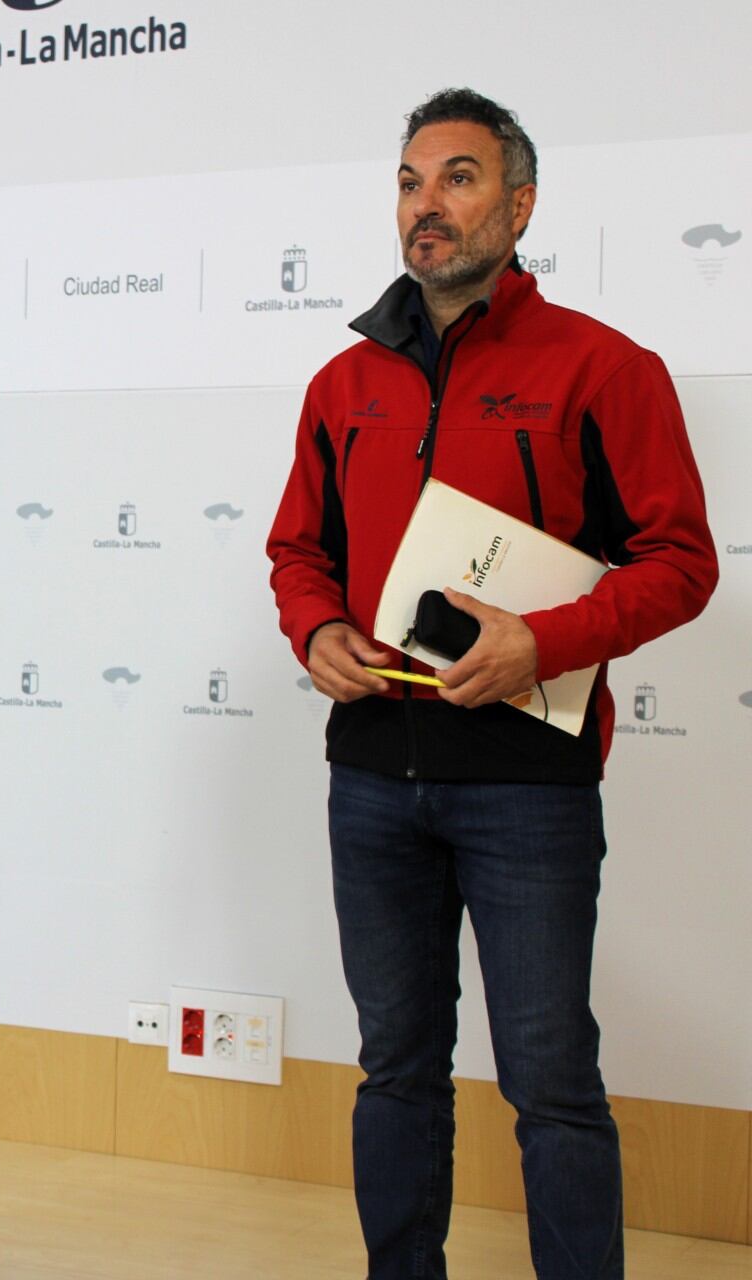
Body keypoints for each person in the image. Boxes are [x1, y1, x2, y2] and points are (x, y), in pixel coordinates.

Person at [266, 89, 717, 1279]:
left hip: (527, 782)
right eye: (411, 181)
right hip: (371, 777)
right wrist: (314, 630)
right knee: (395, 1065)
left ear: (519, 205)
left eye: (458, 178)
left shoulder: (606, 370)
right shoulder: (341, 383)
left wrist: (545, 640)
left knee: (552, 1079)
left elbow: (681, 562)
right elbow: (297, 551)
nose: (428, 204)